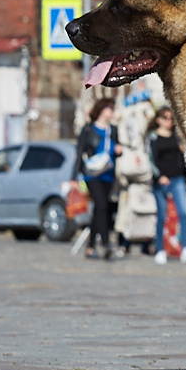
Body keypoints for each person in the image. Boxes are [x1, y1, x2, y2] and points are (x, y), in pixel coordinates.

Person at [148, 106, 186, 264]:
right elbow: (150, 159)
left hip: (177, 179)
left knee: (183, 213)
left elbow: (183, 159)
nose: (168, 121)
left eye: (171, 118)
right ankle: (160, 250)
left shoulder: (177, 137)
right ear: (158, 120)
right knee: (162, 215)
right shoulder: (153, 138)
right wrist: (159, 176)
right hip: (161, 181)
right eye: (165, 118)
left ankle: (185, 248)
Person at [75, 99, 120, 260]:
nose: (112, 111)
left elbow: (117, 147)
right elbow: (80, 151)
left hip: (108, 173)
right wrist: (73, 178)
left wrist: (118, 150)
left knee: (100, 209)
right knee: (102, 206)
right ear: (101, 110)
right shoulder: (88, 129)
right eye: (109, 108)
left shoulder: (113, 130)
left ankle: (91, 246)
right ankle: (106, 244)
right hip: (92, 174)